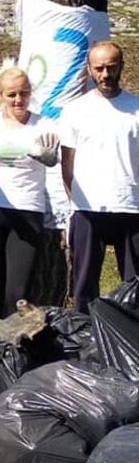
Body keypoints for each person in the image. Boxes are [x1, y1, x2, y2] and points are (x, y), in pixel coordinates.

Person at [0, 62, 60, 319]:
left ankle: (16, 349)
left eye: (24, 93)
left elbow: (54, 158)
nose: (19, 100)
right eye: (12, 94)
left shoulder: (44, 125)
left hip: (27, 209)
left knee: (18, 293)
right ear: (0, 96)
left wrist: (49, 158)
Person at [60, 41, 139, 312]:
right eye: (99, 68)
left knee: (134, 285)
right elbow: (66, 163)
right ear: (90, 69)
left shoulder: (136, 108)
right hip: (87, 208)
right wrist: (76, 201)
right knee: (83, 285)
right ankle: (84, 338)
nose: (105, 74)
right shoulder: (74, 110)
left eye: (111, 67)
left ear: (121, 67)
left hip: (131, 207)